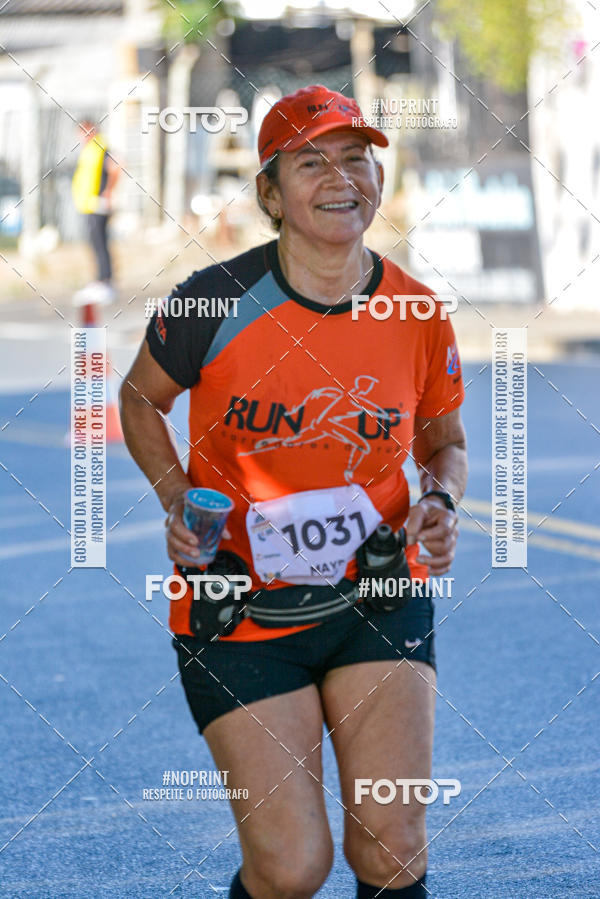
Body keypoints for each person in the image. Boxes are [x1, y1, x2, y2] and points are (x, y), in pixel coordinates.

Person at [120, 84, 467, 899]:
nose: (341, 178)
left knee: (391, 844)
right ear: (271, 194)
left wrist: (441, 502)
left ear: (378, 180)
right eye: (311, 163)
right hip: (239, 609)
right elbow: (139, 399)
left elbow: (444, 443)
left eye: (356, 159)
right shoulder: (212, 300)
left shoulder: (418, 310)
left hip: (378, 594)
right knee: (291, 866)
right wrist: (177, 498)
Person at [71, 117, 120, 306]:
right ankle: (99, 280)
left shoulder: (101, 147)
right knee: (94, 243)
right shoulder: (90, 150)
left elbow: (116, 167)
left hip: (98, 204)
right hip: (89, 204)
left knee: (100, 243)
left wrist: (108, 192)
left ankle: (105, 281)